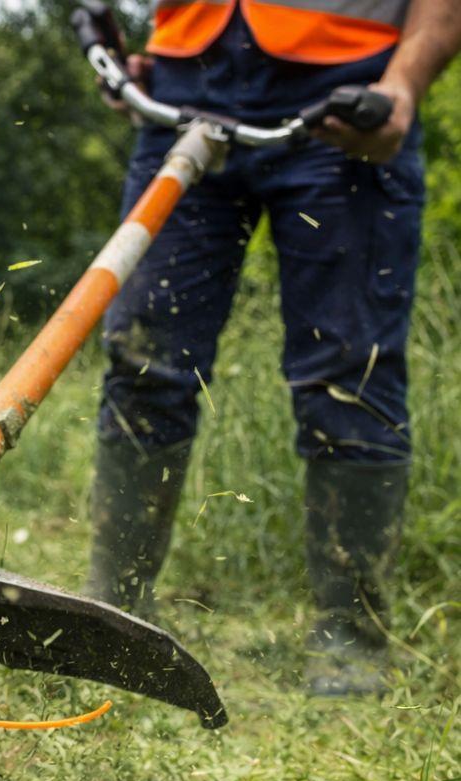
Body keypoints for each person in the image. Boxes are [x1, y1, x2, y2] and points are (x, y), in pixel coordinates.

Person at [86, 0, 461, 695]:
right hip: (184, 82)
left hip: (350, 90)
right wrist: (138, 47)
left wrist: (405, 84)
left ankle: (352, 639)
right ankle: (114, 613)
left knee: (352, 373)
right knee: (145, 358)